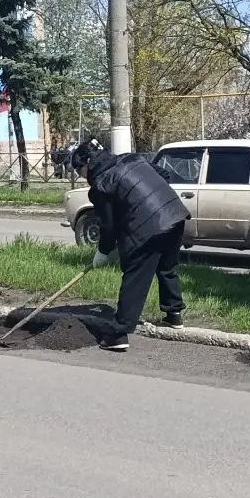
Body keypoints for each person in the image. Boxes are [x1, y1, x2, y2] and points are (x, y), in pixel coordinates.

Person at [74, 137, 189, 353]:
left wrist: (103, 251)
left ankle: (119, 333)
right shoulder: (132, 159)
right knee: (166, 267)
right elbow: (165, 175)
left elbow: (108, 226)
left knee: (135, 275)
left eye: (78, 170)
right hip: (175, 214)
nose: (80, 175)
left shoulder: (101, 184)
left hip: (149, 226)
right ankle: (174, 314)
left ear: (87, 164)